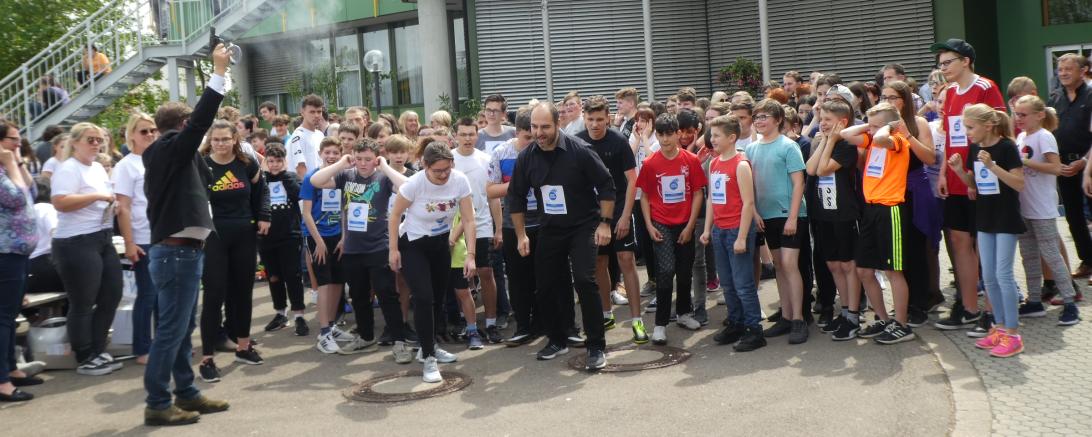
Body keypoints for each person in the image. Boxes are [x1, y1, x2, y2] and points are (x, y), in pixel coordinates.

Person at [140, 39, 232, 429]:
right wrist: (219, 73)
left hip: (181, 253)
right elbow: (198, 124)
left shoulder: (173, 155)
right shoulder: (169, 148)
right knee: (172, 332)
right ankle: (158, 402)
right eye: (192, 127)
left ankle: (187, 393)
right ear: (181, 127)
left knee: (179, 331)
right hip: (177, 254)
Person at [508, 102, 615, 369]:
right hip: (550, 228)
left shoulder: (580, 151)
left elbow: (606, 185)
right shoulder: (527, 157)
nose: (539, 132)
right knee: (545, 285)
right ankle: (556, 339)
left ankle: (595, 346)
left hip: (583, 226)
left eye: (545, 127)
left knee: (583, 279)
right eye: (534, 127)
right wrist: (521, 235)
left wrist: (604, 223)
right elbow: (516, 198)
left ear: (558, 124)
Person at [309, 139, 413, 359]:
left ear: (375, 159)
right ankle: (366, 337)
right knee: (358, 296)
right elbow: (315, 181)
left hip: (379, 246)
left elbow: (407, 188)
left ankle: (399, 342)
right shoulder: (346, 176)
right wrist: (341, 163)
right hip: (352, 248)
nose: (363, 164)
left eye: (368, 159)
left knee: (387, 294)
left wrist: (384, 165)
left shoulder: (383, 178)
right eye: (359, 159)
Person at [930, 38, 1006, 333]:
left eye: (948, 62)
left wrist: (983, 173)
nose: (943, 68)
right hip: (955, 179)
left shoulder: (985, 88)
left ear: (966, 61)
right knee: (960, 242)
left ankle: (992, 309)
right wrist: (942, 174)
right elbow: (949, 135)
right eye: (940, 63)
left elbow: (1001, 130)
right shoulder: (948, 93)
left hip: (981, 180)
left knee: (985, 243)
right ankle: (968, 306)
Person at [388, 142, 476, 383]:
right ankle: (428, 358)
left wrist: (470, 255)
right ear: (424, 166)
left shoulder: (459, 181)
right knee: (424, 297)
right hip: (413, 244)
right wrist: (393, 250)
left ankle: (430, 344)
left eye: (447, 169)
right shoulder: (414, 184)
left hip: (440, 244)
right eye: (437, 171)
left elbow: (468, 219)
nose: (443, 174)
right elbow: (395, 215)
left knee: (436, 298)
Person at [945, 104, 1026, 357]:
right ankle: (999, 328)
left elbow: (1019, 184)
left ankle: (1013, 333)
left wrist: (992, 166)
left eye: (970, 127)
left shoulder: (1007, 148)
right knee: (989, 276)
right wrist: (959, 171)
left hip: (1005, 218)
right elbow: (974, 185)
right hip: (984, 218)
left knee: (1004, 275)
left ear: (988, 125)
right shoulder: (974, 148)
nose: (966, 132)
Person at [196, 120, 270, 382]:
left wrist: (264, 215)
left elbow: (262, 191)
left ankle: (243, 346)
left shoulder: (247, 163)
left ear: (234, 139)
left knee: (242, 293)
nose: (220, 144)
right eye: (215, 139)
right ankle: (207, 358)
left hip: (245, 234)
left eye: (225, 139)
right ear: (210, 140)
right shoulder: (203, 164)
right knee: (214, 295)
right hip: (214, 237)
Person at [49, 122, 123, 375]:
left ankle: (98, 348)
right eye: (90, 139)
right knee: (83, 301)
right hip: (75, 241)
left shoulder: (96, 169)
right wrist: (97, 198)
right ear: (76, 142)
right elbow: (60, 202)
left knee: (112, 293)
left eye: (99, 139)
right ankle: (84, 354)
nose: (96, 144)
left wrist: (112, 205)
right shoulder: (68, 168)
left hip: (101, 237)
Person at [840, 103, 916, 344]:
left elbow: (884, 140)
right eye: (869, 126)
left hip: (890, 209)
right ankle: (884, 318)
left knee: (893, 270)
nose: (870, 131)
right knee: (864, 269)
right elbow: (845, 134)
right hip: (871, 209)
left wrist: (886, 127)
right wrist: (872, 124)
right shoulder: (873, 138)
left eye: (874, 126)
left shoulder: (897, 141)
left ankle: (902, 324)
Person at [577, 96, 648, 344]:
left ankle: (637, 320)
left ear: (608, 118)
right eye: (590, 119)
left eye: (599, 119)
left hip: (618, 209)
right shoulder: (578, 141)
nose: (595, 124)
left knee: (626, 260)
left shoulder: (618, 141)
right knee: (599, 262)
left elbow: (632, 180)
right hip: (591, 214)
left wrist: (626, 215)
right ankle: (606, 314)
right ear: (584, 118)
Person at [636, 113, 707, 344]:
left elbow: (698, 193)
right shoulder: (650, 163)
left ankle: (684, 313)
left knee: (685, 270)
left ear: (678, 134)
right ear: (656, 135)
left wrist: (690, 225)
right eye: (661, 134)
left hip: (686, 223)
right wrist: (648, 224)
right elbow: (645, 196)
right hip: (661, 223)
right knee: (666, 272)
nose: (665, 139)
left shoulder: (691, 160)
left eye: (670, 134)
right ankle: (660, 323)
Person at [745, 100, 809, 344]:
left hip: (790, 215)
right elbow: (750, 186)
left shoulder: (789, 146)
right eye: (757, 117)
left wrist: (793, 217)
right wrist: (755, 214)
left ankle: (798, 319)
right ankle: (786, 315)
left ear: (778, 120)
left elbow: (798, 183)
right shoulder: (751, 149)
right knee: (780, 266)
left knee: (790, 264)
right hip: (766, 216)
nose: (759, 121)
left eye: (764, 117)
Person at [700, 115, 764, 351]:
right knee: (727, 283)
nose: (712, 139)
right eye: (711, 134)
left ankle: (754, 329)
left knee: (743, 284)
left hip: (738, 230)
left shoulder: (741, 164)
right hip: (719, 230)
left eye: (716, 135)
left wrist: (741, 237)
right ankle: (736, 322)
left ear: (731, 137)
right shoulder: (714, 163)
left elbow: (748, 203)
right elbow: (711, 201)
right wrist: (708, 229)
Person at [1016, 95, 1081, 326]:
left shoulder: (1044, 137)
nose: (1019, 118)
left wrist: (1024, 163)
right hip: (1025, 207)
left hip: (1042, 207)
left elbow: (1056, 168)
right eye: (1017, 114)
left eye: (1023, 114)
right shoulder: (1022, 136)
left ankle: (1070, 302)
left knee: (1051, 255)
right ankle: (1034, 301)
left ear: (1039, 115)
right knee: (1029, 257)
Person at [805, 100, 863, 340]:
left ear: (842, 122)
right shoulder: (822, 142)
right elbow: (810, 169)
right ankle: (845, 310)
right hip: (823, 214)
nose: (822, 123)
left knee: (848, 265)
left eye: (828, 120)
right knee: (833, 265)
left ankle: (853, 314)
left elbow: (823, 169)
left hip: (844, 214)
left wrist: (829, 141)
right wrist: (824, 141)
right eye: (821, 119)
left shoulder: (847, 147)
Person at [487, 109, 543, 346]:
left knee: (543, 276)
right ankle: (522, 325)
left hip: (543, 222)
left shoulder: (545, 150)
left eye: (535, 137)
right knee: (519, 278)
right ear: (517, 132)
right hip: (513, 224)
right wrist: (517, 186)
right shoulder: (502, 153)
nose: (533, 142)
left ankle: (543, 323)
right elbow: (490, 190)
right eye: (528, 138)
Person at [112, 113, 159, 365]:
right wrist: (129, 242)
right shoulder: (126, 165)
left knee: (165, 296)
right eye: (144, 131)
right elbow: (123, 207)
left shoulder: (159, 160)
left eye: (152, 130)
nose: (150, 135)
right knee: (148, 295)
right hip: (143, 237)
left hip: (164, 235)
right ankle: (142, 347)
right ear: (131, 135)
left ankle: (164, 343)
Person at [453, 118, 504, 343]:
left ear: (477, 135)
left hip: (482, 225)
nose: (467, 138)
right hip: (455, 227)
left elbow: (492, 197)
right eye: (463, 134)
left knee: (486, 272)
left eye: (471, 134)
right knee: (461, 277)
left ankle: (491, 323)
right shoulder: (449, 160)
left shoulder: (486, 160)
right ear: (455, 135)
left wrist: (499, 228)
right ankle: (467, 321)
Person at [0, 120, 39, 402]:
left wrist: (18, 163)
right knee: (3, 317)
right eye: (13, 139)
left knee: (10, 315)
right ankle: (2, 382)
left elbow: (33, 191)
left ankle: (11, 369)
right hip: (5, 252)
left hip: (18, 251)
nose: (19, 143)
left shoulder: (8, 167)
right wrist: (12, 164)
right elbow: (17, 198)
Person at [300, 138, 350, 354]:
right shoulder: (312, 177)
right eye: (327, 152)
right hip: (317, 236)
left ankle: (332, 326)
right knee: (324, 283)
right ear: (320, 153)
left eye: (335, 153)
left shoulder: (342, 177)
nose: (331, 156)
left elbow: (345, 208)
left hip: (337, 235)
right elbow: (306, 213)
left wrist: (344, 236)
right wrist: (318, 241)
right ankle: (323, 332)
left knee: (339, 280)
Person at [257, 144, 309, 335]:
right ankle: (280, 313)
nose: (275, 165)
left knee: (293, 276)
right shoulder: (261, 180)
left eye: (279, 161)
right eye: (271, 161)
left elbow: (298, 195)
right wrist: (263, 176)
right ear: (265, 162)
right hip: (266, 238)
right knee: (274, 276)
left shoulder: (291, 178)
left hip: (290, 235)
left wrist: (285, 175)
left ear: (285, 161)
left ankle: (299, 315)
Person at [1052, 54, 1092, 280]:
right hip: (1063, 165)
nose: (1064, 73)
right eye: (1061, 69)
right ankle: (1087, 260)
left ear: (1083, 70)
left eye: (1069, 69)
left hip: (1088, 165)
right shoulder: (1055, 97)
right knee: (1073, 216)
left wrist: (1084, 162)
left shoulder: (1091, 95)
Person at [629, 107, 660, 297]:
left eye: (645, 120)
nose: (640, 124)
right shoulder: (634, 138)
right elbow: (626, 157)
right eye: (638, 120)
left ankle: (662, 276)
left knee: (656, 237)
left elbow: (650, 159)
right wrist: (638, 138)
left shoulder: (656, 139)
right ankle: (652, 278)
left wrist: (646, 138)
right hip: (638, 195)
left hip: (654, 196)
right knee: (644, 239)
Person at [287, 94, 327, 180]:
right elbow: (300, 169)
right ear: (302, 112)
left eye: (319, 111)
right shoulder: (298, 136)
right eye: (312, 112)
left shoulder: (320, 134)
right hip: (308, 188)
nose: (316, 115)